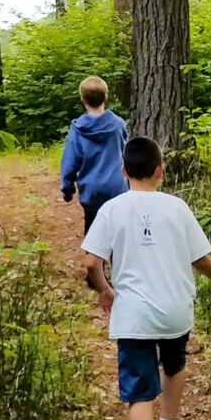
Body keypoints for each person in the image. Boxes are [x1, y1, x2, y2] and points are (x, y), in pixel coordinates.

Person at [80, 137, 211, 420]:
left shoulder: (111, 209)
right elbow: (200, 259)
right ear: (160, 171)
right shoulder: (177, 207)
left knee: (139, 393)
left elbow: (91, 262)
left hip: (134, 316)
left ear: (123, 171)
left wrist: (106, 291)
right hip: (174, 312)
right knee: (174, 365)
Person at [60, 77, 128, 288]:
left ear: (82, 99)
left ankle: (95, 277)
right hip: (117, 189)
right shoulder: (118, 125)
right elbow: (126, 153)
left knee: (94, 230)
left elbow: (70, 161)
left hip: (92, 191)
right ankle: (121, 274)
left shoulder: (78, 129)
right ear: (106, 97)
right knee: (118, 231)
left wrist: (67, 187)